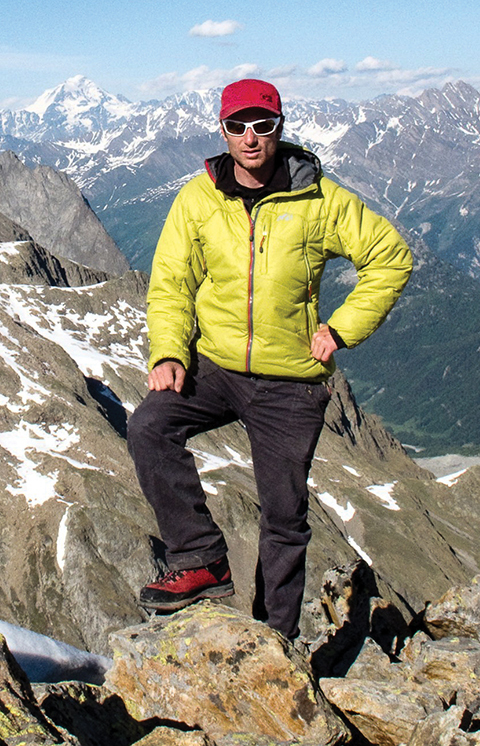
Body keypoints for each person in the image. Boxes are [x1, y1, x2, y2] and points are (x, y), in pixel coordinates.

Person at [131, 78, 413, 635]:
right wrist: (168, 350)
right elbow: (170, 282)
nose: (251, 137)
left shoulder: (318, 198)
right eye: (238, 126)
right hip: (214, 366)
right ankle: (200, 558)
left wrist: (342, 328)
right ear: (223, 131)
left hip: (291, 380)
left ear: (279, 128)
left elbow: (390, 257)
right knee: (148, 428)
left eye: (262, 125)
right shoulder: (199, 197)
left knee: (283, 516)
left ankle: (276, 637)